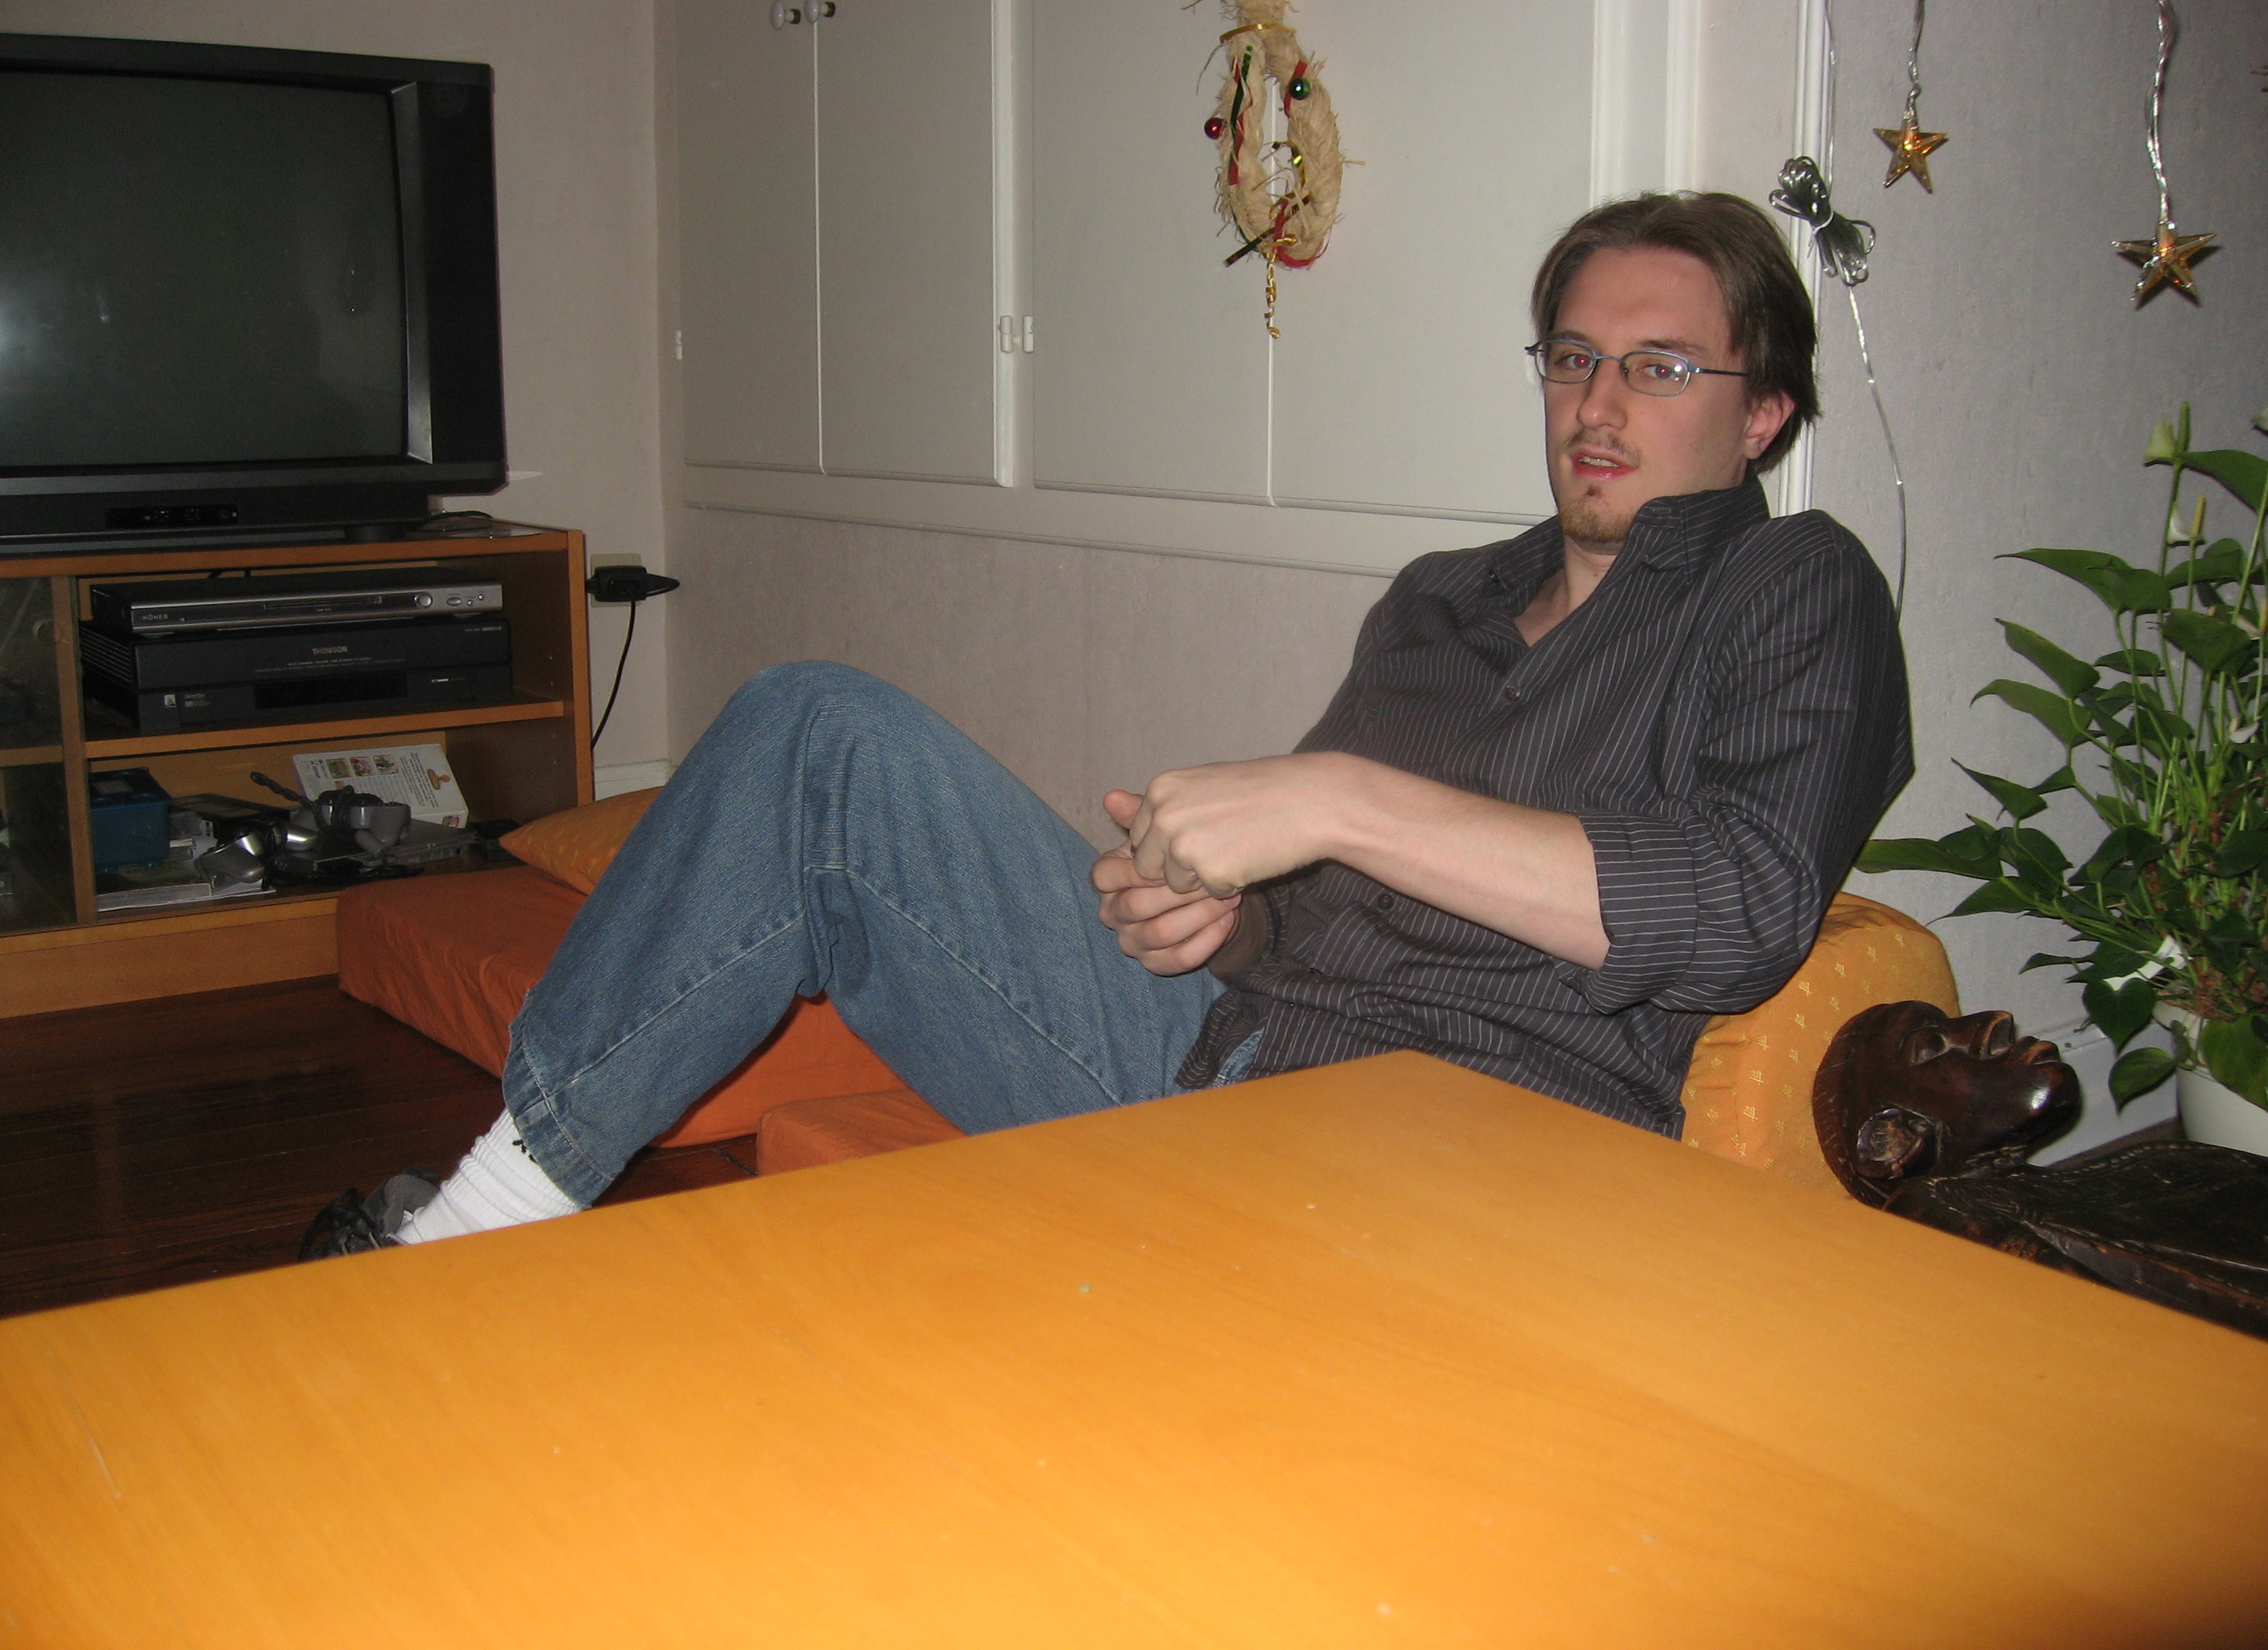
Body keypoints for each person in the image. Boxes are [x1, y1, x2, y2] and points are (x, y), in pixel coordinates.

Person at [302, 190, 1910, 1257]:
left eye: (1660, 368)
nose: (1598, 405)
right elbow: (1304, 916)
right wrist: (1213, 917)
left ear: (1763, 410)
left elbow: (1739, 910)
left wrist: (1336, 798)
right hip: (1214, 1061)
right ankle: (474, 1232)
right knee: (816, 731)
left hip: (1472, 1148)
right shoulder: (1443, 599)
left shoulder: (1791, 587)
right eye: (1572, 359)